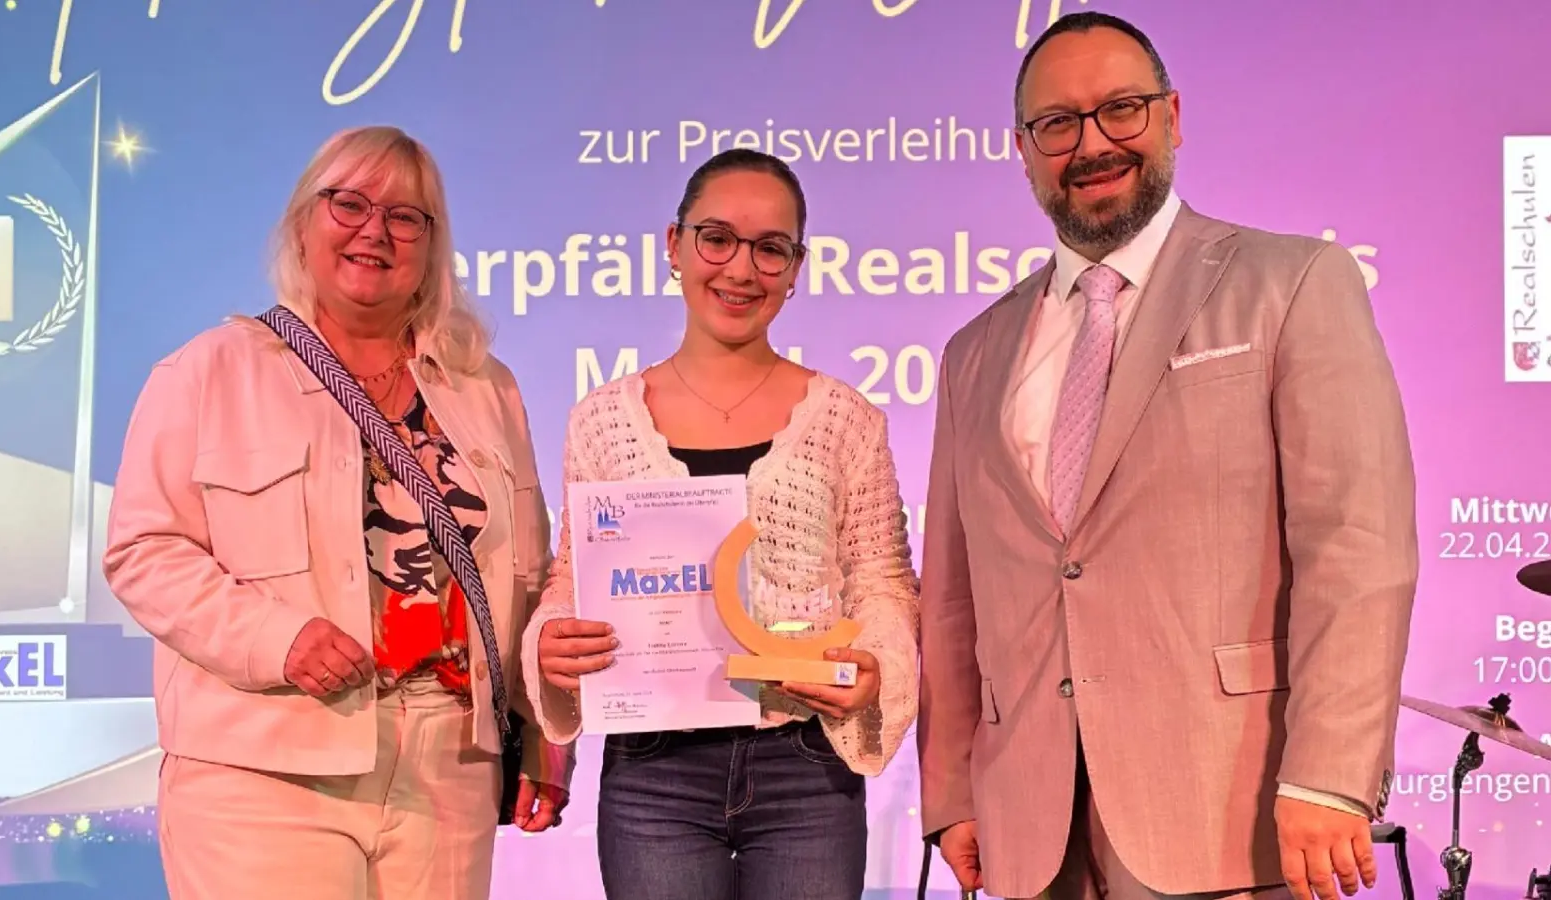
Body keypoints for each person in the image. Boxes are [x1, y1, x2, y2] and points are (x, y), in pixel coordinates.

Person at [916, 12, 1418, 900]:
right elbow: (955, 602)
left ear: (1174, 116)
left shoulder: (1291, 283)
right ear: (1025, 151)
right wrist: (954, 791)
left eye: (1122, 109)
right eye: (1057, 124)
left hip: (1238, 813)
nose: (1093, 143)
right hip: (1031, 836)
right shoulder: (973, 352)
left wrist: (1330, 775)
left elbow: (1357, 545)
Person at [102, 125, 571, 899]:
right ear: (301, 226)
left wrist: (541, 733)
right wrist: (275, 637)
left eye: (405, 217)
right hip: (266, 767)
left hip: (447, 767)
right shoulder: (209, 371)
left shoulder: (486, 387)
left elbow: (525, 573)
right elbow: (144, 551)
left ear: (430, 245)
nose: (374, 232)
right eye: (348, 204)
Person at [521, 147, 920, 900]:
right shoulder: (602, 421)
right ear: (674, 247)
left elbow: (883, 583)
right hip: (654, 773)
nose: (741, 269)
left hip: (804, 769)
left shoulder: (846, 420)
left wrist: (876, 668)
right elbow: (573, 577)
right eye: (718, 238)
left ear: (796, 267)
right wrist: (551, 637)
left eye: (771, 248)